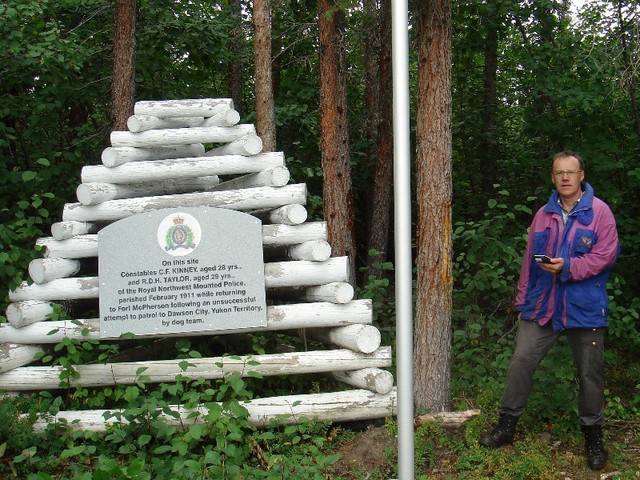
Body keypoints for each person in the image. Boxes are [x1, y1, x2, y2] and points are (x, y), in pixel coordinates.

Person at [479, 150, 619, 471]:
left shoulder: (600, 213)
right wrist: (521, 301)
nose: (565, 178)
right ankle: (506, 425)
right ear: (553, 178)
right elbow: (530, 261)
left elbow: (604, 257)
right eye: (559, 173)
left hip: (584, 308)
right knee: (521, 361)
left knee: (590, 372)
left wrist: (568, 266)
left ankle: (593, 435)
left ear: (582, 175)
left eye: (571, 172)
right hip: (542, 305)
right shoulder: (543, 214)